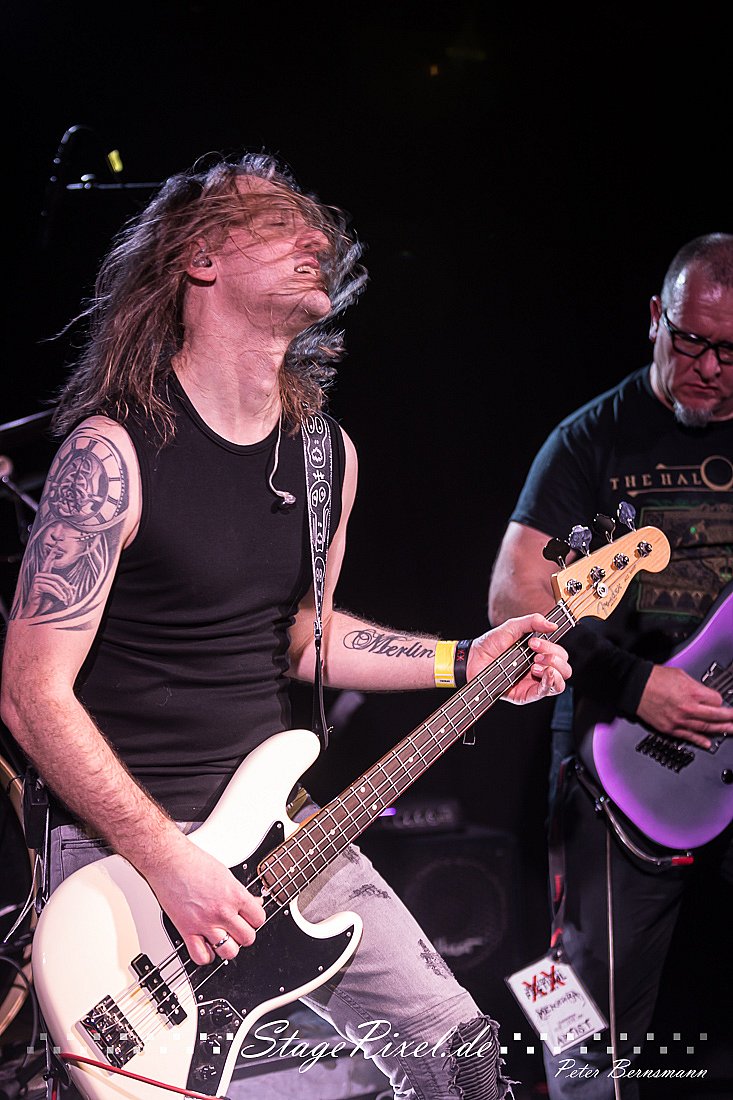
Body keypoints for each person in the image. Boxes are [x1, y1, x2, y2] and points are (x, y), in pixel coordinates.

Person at [0, 152, 571, 1100]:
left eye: (317, 225)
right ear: (199, 260)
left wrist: (464, 660)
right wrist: (170, 862)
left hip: (277, 832)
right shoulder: (112, 453)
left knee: (463, 1062)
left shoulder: (323, 455)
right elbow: (30, 693)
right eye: (276, 221)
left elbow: (303, 636)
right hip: (121, 855)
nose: (316, 236)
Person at [488, 233, 733, 1099]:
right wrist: (634, 685)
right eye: (690, 340)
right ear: (655, 318)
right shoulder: (591, 437)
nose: (709, 367)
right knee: (579, 1004)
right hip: (618, 752)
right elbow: (512, 594)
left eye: (731, 351)